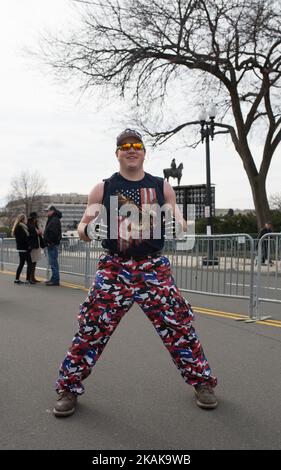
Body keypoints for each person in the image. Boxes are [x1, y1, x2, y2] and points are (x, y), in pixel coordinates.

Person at [53, 128, 218, 417]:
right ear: (117, 153)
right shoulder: (102, 189)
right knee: (92, 327)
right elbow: (81, 227)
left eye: (137, 145)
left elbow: (179, 220)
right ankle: (68, 386)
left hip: (152, 267)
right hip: (115, 268)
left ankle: (202, 382)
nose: (131, 149)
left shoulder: (161, 186)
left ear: (144, 151)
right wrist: (89, 230)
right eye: (125, 146)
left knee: (179, 326)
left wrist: (178, 225)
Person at [12, 214, 34, 285]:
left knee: (21, 264)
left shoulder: (18, 227)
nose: (26, 220)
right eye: (25, 219)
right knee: (29, 263)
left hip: (21, 248)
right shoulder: (21, 227)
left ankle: (17, 279)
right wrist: (29, 246)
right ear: (22, 219)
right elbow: (24, 238)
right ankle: (27, 280)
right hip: (24, 248)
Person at [43, 205, 62, 286]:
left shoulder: (54, 220)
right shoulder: (53, 219)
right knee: (53, 263)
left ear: (52, 211)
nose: (47, 213)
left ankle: (55, 280)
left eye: (48, 211)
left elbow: (53, 233)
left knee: (53, 263)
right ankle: (54, 279)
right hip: (52, 243)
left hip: (52, 244)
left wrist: (50, 241)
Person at [27, 212, 43, 283]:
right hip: (32, 245)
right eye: (36, 218)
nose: (36, 219)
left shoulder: (34, 225)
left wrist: (39, 233)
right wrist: (37, 233)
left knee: (34, 261)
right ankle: (30, 278)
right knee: (32, 262)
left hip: (36, 245)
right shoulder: (29, 225)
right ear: (33, 218)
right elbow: (29, 235)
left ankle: (33, 277)